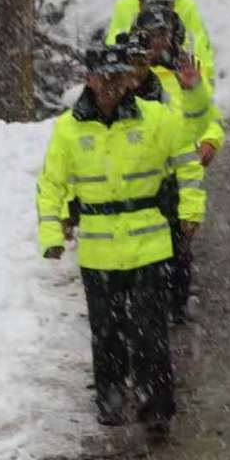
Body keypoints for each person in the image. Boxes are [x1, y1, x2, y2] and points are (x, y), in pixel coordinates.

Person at [37, 44, 206, 431]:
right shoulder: (68, 130)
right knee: (107, 331)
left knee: (150, 332)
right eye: (105, 77)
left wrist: (190, 210)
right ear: (89, 79)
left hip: (149, 243)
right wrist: (51, 232)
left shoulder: (156, 119)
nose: (113, 85)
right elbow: (51, 185)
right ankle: (110, 399)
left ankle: (156, 408)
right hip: (98, 249)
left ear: (131, 78)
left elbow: (188, 159)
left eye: (120, 76)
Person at [127, 4, 225, 323]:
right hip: (138, 171)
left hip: (178, 164)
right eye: (150, 35)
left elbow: (207, 115)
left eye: (162, 34)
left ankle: (176, 303)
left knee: (177, 244)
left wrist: (209, 141)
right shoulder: (128, 74)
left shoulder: (185, 72)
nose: (157, 42)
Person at [105, 0, 215, 87]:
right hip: (138, 80)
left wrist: (206, 76)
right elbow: (115, 40)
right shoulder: (125, 4)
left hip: (177, 78)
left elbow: (199, 41)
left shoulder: (186, 5)